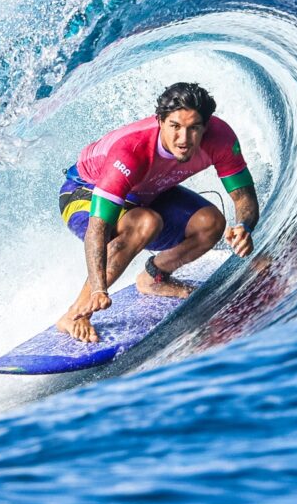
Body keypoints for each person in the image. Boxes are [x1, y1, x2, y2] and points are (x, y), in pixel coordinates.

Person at [55, 82, 259, 343]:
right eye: (175, 126)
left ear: (205, 126)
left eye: (193, 128)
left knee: (211, 223)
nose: (184, 139)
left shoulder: (220, 139)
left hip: (146, 192)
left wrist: (245, 225)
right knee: (144, 222)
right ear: (160, 121)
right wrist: (98, 288)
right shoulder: (131, 150)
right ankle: (74, 315)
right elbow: (98, 227)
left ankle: (154, 277)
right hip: (84, 191)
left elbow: (243, 196)